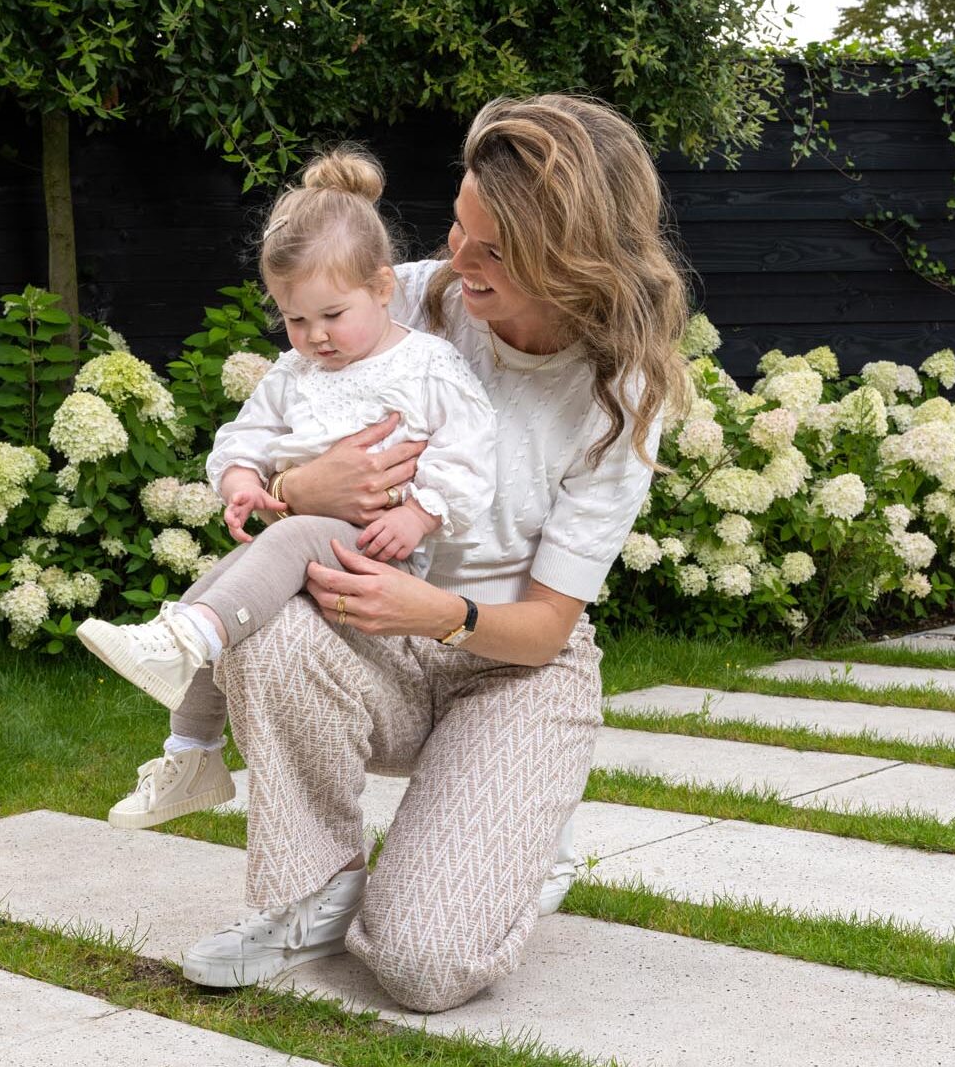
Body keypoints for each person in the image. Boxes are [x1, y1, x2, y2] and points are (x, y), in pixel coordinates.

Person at [116, 94, 688, 1012]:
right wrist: (298, 490)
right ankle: (311, 893)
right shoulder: (405, 296)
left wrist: (440, 614)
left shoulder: (614, 395)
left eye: (494, 252)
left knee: (422, 966)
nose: (459, 264)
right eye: (461, 229)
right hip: (373, 639)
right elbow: (281, 442)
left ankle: (515, 831)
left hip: (507, 667)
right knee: (265, 628)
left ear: (571, 260)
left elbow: (543, 629)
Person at [77, 146, 496, 821]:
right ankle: (192, 753)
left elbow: (471, 450)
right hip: (308, 536)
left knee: (254, 570)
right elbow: (243, 436)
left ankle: (183, 642)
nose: (315, 336)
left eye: (332, 315)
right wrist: (242, 478)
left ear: (382, 288)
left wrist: (419, 514)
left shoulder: (425, 364)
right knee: (212, 587)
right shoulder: (292, 372)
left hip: (384, 546)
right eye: (295, 319)